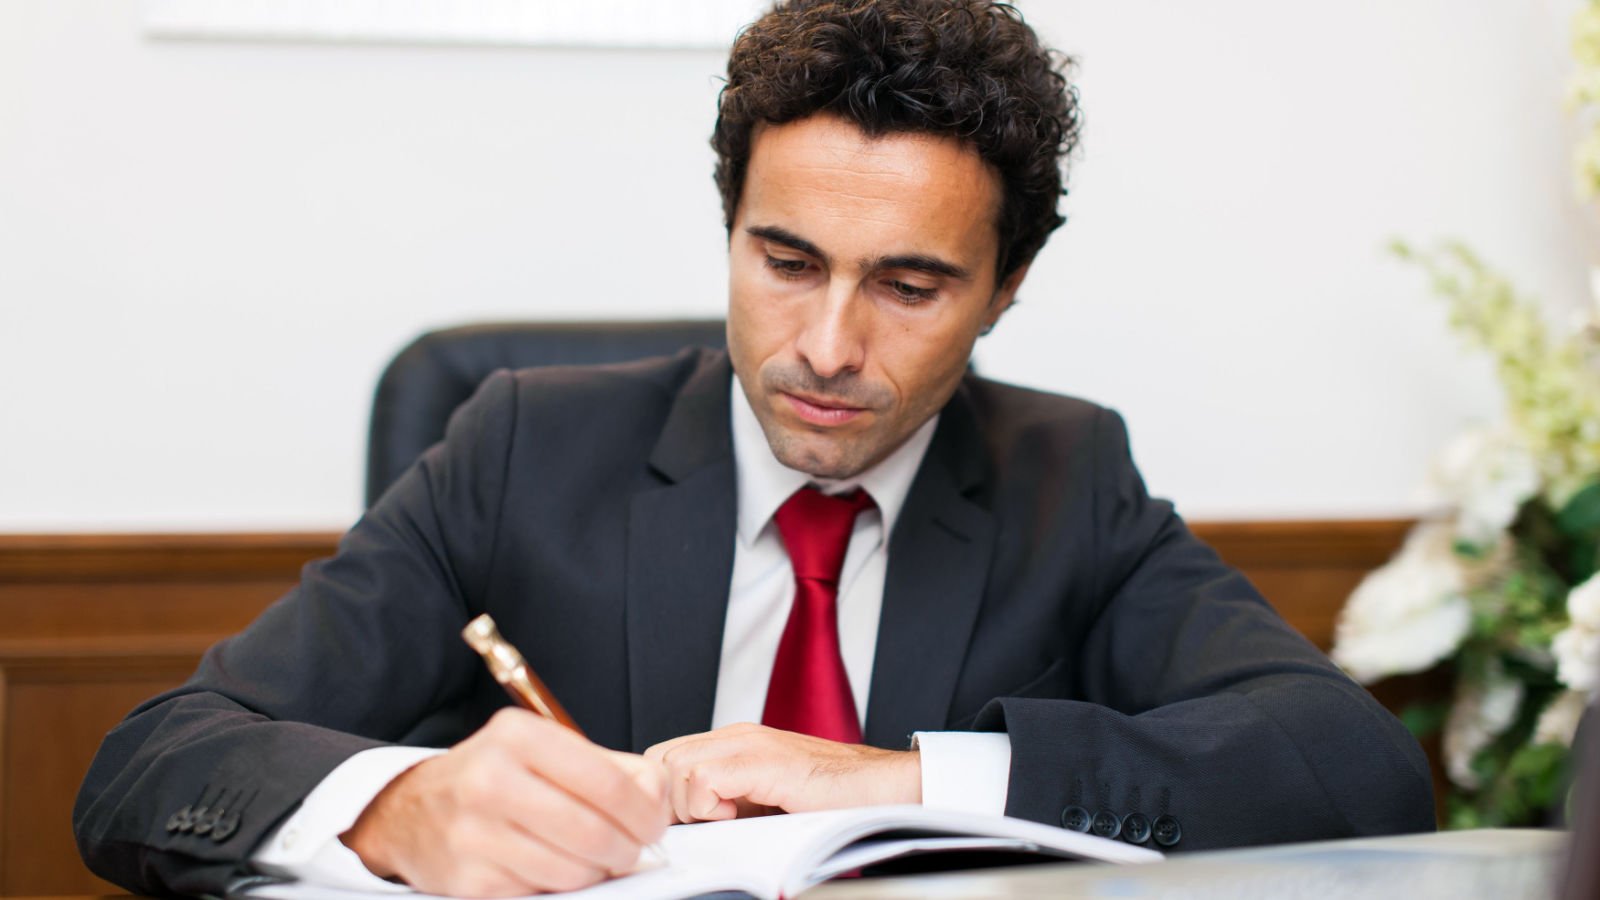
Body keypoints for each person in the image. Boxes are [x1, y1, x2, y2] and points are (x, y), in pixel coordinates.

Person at [74, 1, 1436, 896]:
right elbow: (154, 761)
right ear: (731, 226)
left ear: (1005, 288)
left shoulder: (1067, 481)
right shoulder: (522, 447)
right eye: (787, 260)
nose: (830, 346)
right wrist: (396, 808)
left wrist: (905, 779)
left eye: (909, 287)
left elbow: (1351, 766)